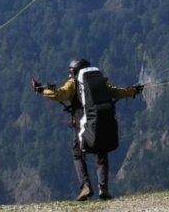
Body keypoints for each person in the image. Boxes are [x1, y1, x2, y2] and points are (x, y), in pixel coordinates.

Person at [32, 58, 143, 201]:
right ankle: (103, 188)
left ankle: (86, 186)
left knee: (78, 154)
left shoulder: (74, 83)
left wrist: (41, 90)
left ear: (75, 71)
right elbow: (117, 92)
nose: (69, 75)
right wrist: (133, 91)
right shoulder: (99, 82)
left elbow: (60, 94)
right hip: (102, 122)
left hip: (82, 125)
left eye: (71, 72)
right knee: (102, 153)